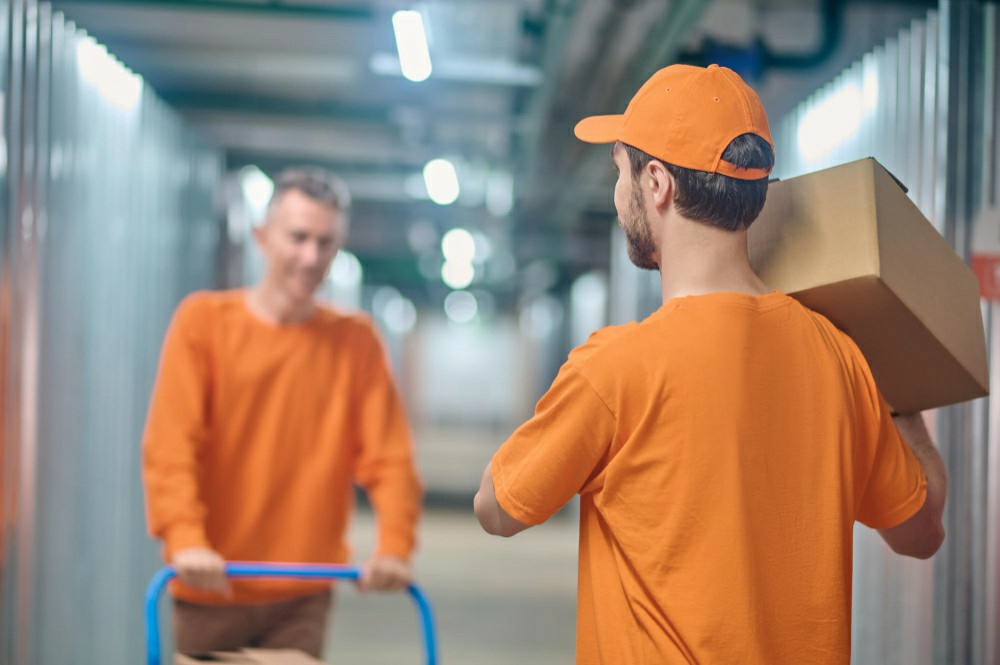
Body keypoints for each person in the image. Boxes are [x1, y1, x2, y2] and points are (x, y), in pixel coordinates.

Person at [474, 64, 947, 664]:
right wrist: (905, 394)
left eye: (618, 172)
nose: (616, 193)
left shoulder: (615, 367)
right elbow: (921, 532)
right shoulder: (840, 358)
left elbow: (498, 509)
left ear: (657, 182)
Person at [143, 168, 423, 657]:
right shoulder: (203, 324)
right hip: (211, 583)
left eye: (325, 242)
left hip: (304, 591)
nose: (310, 257)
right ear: (262, 237)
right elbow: (171, 446)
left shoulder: (355, 342)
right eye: (298, 238)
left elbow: (390, 457)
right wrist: (186, 538)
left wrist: (394, 545)